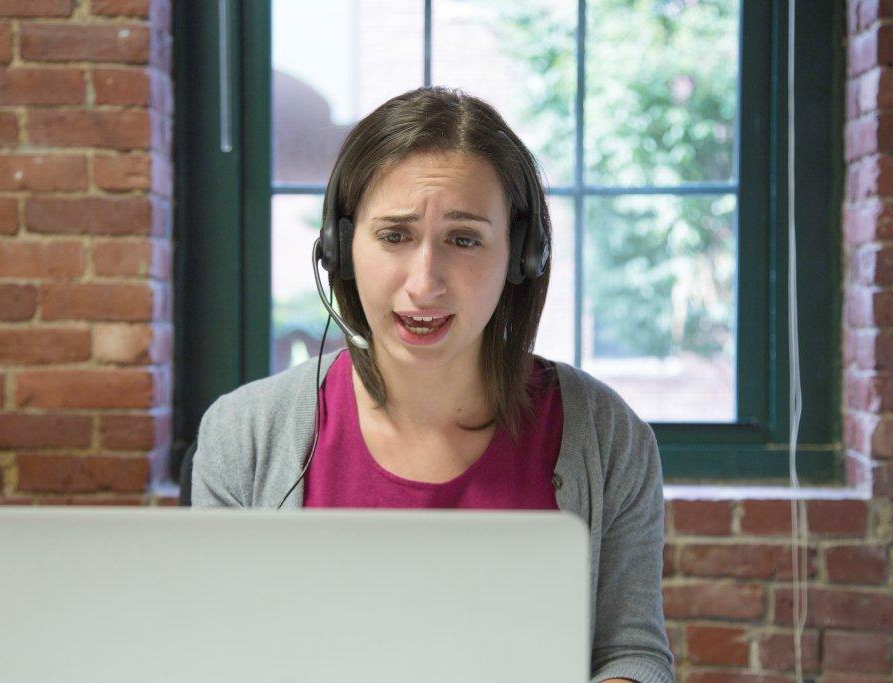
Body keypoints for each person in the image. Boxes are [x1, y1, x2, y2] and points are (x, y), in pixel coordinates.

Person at [191, 86, 674, 683]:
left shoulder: (606, 434)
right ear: (340, 249)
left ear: (521, 256)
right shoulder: (242, 435)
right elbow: (217, 652)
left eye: (463, 239)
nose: (425, 284)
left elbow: (631, 653)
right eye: (395, 236)